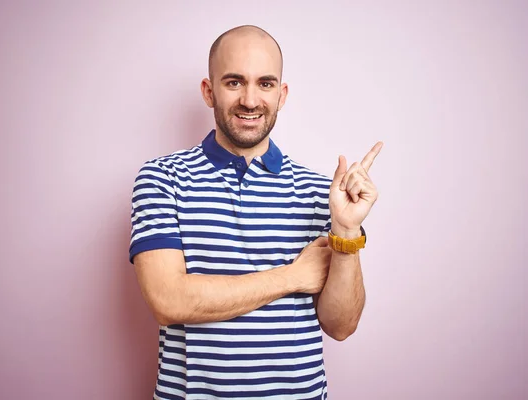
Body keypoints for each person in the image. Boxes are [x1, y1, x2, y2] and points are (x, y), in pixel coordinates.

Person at [129, 24, 383, 400]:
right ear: (208, 90)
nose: (250, 100)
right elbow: (170, 301)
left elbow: (341, 325)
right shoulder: (162, 178)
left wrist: (345, 231)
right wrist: (293, 277)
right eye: (234, 82)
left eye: (265, 84)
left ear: (281, 95)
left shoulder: (319, 192)